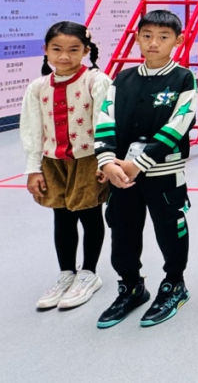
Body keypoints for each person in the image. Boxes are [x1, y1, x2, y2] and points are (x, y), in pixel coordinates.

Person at [94, 10, 196, 329]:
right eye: (147, 36)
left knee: (169, 229)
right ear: (137, 38)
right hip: (121, 175)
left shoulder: (183, 78)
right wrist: (107, 161)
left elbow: (179, 123)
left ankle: (174, 285)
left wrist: (139, 162)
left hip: (164, 173)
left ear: (178, 41)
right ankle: (131, 286)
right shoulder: (122, 79)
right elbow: (105, 119)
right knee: (122, 230)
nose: (154, 43)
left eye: (163, 37)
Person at [20, 21, 111, 311]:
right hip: (53, 161)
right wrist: (33, 169)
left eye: (73, 50)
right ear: (45, 50)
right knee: (61, 216)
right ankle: (66, 272)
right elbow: (32, 130)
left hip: (88, 159)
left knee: (89, 214)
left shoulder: (96, 81)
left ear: (86, 51)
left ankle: (89, 273)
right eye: (56, 49)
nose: (64, 56)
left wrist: (105, 159)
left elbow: (105, 122)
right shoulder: (38, 87)